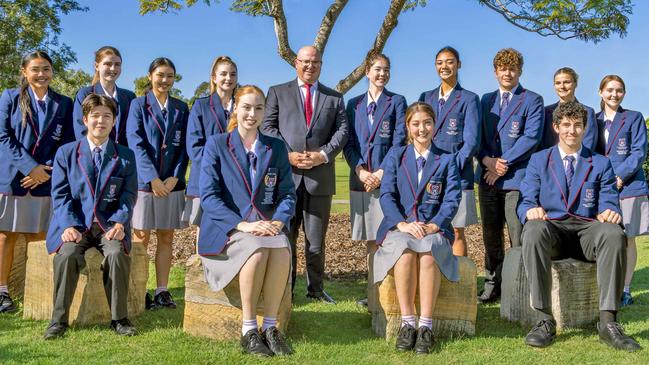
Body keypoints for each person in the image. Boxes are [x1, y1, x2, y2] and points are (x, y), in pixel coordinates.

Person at [519, 100, 640, 352]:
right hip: (552, 231)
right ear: (556, 127)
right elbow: (526, 199)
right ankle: (543, 320)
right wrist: (530, 209)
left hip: (587, 232)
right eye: (565, 125)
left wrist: (611, 212)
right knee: (532, 229)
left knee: (614, 233)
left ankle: (608, 323)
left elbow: (609, 200)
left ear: (584, 128)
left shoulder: (600, 162)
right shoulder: (539, 160)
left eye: (577, 125)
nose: (571, 131)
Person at [198, 85, 296, 357]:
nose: (252, 114)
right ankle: (249, 329)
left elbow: (287, 193)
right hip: (228, 230)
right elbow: (208, 197)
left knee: (281, 247)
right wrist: (243, 225)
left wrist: (278, 220)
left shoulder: (275, 147)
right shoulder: (217, 145)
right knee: (257, 249)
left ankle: (271, 327)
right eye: (247, 107)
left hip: (266, 227)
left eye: (258, 108)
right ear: (235, 109)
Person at [43, 94, 138, 339]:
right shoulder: (66, 153)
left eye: (107, 116)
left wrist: (119, 222)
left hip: (109, 224)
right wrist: (68, 225)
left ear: (114, 121)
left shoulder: (125, 155)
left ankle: (119, 319)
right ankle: (59, 321)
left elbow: (128, 196)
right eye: (95, 115)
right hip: (77, 223)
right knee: (66, 255)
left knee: (117, 254)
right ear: (85, 119)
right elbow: (61, 196)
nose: (101, 121)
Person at [261, 45, 348, 304]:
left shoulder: (334, 98)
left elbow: (343, 132)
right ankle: (285, 289)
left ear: (321, 65)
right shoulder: (277, 92)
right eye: (306, 62)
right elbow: (268, 126)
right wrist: (287, 154)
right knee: (286, 236)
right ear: (296, 63)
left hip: (319, 178)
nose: (310, 66)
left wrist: (323, 155)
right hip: (287, 179)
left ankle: (316, 290)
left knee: (316, 240)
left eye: (316, 62)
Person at [374, 101, 460, 354]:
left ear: (434, 125)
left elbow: (452, 199)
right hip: (400, 226)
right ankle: (408, 323)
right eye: (416, 124)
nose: (422, 129)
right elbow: (387, 194)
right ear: (408, 128)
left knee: (428, 255)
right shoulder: (396, 156)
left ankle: (426, 326)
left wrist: (435, 225)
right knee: (404, 252)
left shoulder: (446, 159)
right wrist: (401, 223)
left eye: (427, 123)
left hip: (433, 227)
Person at [0, 51, 74, 313]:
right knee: (6, 236)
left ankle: (36, 290)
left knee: (39, 236)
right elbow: (3, 137)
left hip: (46, 178)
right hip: (13, 178)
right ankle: (2, 293)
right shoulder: (10, 97)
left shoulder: (64, 103)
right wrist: (30, 168)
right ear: (24, 71)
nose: (41, 74)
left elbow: (68, 142)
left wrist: (48, 170)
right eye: (35, 69)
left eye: (46, 69)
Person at [476, 48, 544, 303]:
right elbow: (477, 138)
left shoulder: (532, 99)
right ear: (495, 72)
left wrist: (502, 164)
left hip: (516, 179)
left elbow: (531, 138)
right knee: (490, 236)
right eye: (502, 68)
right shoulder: (485, 101)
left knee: (518, 235)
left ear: (520, 71)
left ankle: (520, 286)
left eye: (512, 68)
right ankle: (493, 284)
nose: (507, 72)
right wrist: (488, 161)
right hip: (487, 177)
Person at [343, 51, 406, 308]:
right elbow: (348, 143)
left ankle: (388, 290)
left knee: (388, 236)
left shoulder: (397, 101)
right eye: (377, 69)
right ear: (367, 71)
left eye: (386, 69)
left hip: (387, 181)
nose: (382, 74)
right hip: (360, 180)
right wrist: (360, 170)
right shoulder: (353, 104)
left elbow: (399, 141)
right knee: (371, 239)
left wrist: (381, 173)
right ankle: (373, 292)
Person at [126, 57, 189, 309]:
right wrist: (152, 178)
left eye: (170, 76)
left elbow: (185, 146)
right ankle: (139, 290)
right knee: (141, 237)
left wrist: (175, 176)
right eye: (160, 75)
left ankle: (162, 290)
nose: (165, 80)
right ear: (150, 76)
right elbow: (135, 142)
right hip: (145, 183)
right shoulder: (138, 105)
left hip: (171, 183)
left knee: (166, 237)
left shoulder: (181, 108)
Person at [418, 46, 480, 257]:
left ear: (459, 64)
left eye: (450, 61)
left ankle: (458, 285)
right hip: (429, 176)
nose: (445, 66)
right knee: (429, 227)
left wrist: (450, 168)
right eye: (440, 62)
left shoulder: (469, 98)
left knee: (456, 229)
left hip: (458, 175)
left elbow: (471, 142)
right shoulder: (426, 96)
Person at [595, 75, 649, 307]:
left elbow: (639, 152)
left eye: (619, 90)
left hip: (628, 187)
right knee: (602, 238)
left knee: (627, 239)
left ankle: (625, 289)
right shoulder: (593, 120)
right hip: (600, 190)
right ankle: (604, 287)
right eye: (609, 90)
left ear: (624, 94)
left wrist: (619, 177)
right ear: (600, 92)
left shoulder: (633, 118)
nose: (614, 94)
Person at [184, 56, 237, 228]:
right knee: (205, 228)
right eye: (223, 74)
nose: (228, 78)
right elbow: (194, 147)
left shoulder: (243, 106)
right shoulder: (201, 106)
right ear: (214, 77)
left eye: (232, 74)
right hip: (206, 177)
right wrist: (218, 165)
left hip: (236, 178)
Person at [72, 46, 136, 146]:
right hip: (94, 156)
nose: (113, 68)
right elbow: (81, 131)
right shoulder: (85, 94)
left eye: (117, 64)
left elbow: (133, 131)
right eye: (108, 64)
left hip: (124, 157)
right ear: (96, 66)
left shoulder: (130, 97)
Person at [540, 67, 597, 151]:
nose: (562, 86)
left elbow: (589, 142)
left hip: (579, 161)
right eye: (558, 83)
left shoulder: (588, 112)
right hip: (549, 161)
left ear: (575, 84)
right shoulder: (545, 112)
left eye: (567, 82)